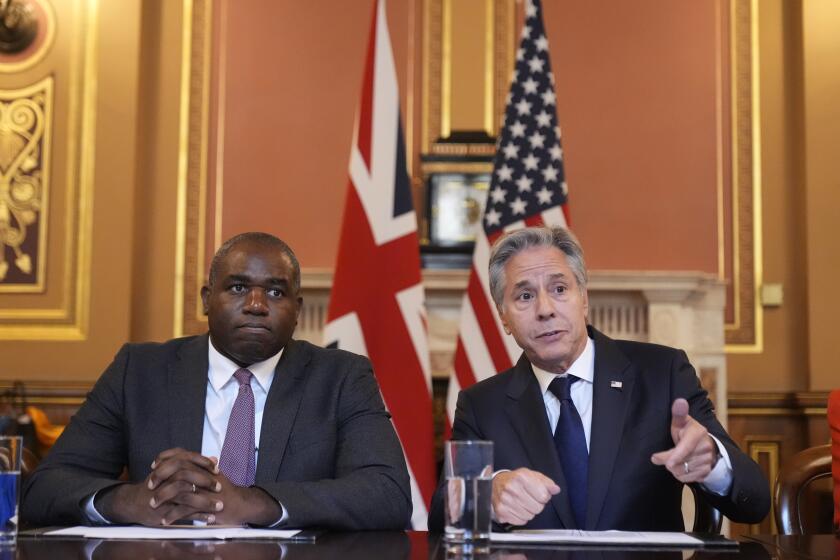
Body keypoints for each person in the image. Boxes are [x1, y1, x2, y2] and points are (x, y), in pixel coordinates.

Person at [22, 232, 412, 529]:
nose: (257, 305)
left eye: (276, 291)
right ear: (208, 298)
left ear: (297, 310)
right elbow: (45, 488)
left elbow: (388, 494)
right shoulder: (139, 370)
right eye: (239, 287)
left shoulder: (341, 376)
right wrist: (129, 502)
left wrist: (255, 503)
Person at [429, 226, 770, 531]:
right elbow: (440, 514)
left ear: (584, 299)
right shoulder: (481, 404)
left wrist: (711, 461)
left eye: (560, 288)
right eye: (525, 296)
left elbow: (754, 502)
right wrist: (488, 493)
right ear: (503, 317)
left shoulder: (661, 374)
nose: (545, 309)